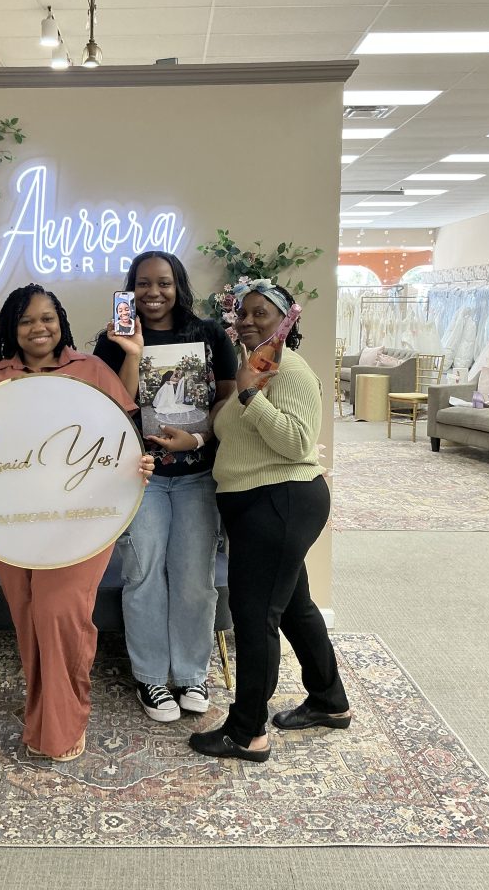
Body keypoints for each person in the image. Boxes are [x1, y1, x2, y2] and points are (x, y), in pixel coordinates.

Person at [0, 283, 155, 762]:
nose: (39, 328)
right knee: (29, 616)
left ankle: (63, 722)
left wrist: (137, 462)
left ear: (62, 322)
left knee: (61, 614)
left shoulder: (91, 369)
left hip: (83, 518)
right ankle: (42, 714)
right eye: (27, 320)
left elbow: (119, 430)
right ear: (12, 328)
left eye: (48, 318)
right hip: (10, 519)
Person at [189, 279, 350, 763]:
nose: (251, 320)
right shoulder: (252, 368)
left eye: (263, 312)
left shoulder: (290, 370)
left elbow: (299, 444)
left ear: (286, 320)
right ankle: (329, 701)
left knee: (256, 619)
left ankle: (247, 732)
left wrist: (250, 397)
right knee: (296, 608)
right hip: (260, 504)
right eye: (244, 313)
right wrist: (195, 440)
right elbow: (237, 438)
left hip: (279, 501)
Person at [93, 252, 236, 722]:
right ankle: (152, 678)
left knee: (196, 580)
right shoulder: (111, 340)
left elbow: (227, 404)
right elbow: (115, 406)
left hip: (197, 475)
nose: (154, 293)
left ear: (179, 286)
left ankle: (191, 673)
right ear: (129, 288)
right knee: (143, 575)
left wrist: (197, 436)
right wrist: (132, 353)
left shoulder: (209, 334)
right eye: (143, 284)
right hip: (141, 477)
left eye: (164, 283)